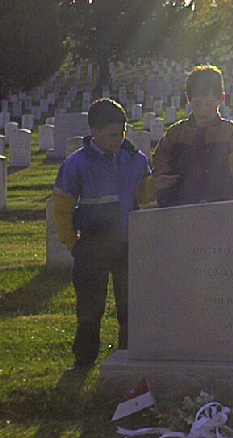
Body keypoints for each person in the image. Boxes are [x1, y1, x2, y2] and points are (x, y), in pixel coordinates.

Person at [52, 98, 167, 369]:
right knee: (90, 308)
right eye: (112, 134)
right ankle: (84, 358)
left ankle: (128, 354)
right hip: (92, 246)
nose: (119, 139)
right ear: (94, 132)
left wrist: (155, 185)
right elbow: (63, 204)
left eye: (123, 132)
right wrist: (71, 242)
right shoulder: (76, 163)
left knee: (129, 305)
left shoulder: (134, 159)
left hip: (128, 244)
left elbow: (140, 194)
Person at [152, 64, 233, 206]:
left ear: (221, 99)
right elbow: (161, 169)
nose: (203, 110)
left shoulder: (232, 134)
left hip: (219, 209)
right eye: (197, 103)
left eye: (209, 104)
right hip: (179, 209)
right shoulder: (175, 134)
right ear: (189, 99)